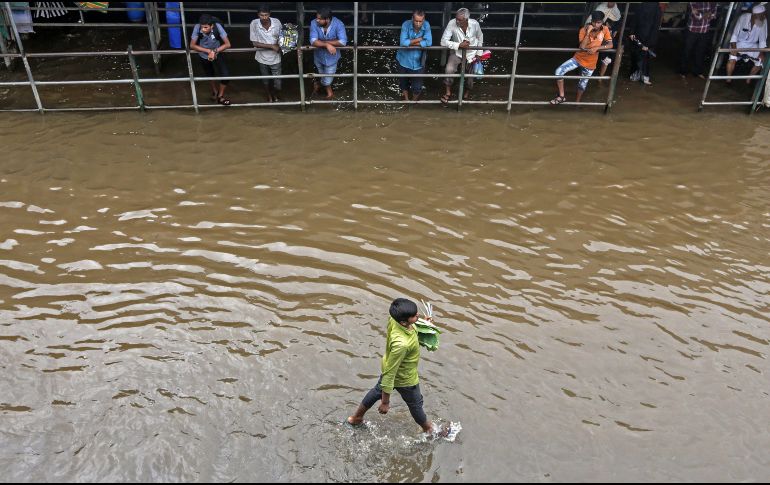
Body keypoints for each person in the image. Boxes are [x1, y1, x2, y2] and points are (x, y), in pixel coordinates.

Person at [347, 298, 446, 436]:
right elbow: (390, 374)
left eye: (416, 312)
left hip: (388, 363)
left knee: (377, 390)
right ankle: (429, 429)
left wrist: (423, 322)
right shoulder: (402, 344)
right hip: (405, 378)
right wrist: (385, 402)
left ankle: (356, 418)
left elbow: (412, 328)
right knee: (416, 404)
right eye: (414, 315)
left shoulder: (394, 320)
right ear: (404, 322)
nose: (417, 315)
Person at [550, 11, 613, 105]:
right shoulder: (584, 29)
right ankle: (562, 96)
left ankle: (577, 103)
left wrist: (597, 48)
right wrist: (588, 32)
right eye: (594, 22)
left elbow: (610, 44)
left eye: (599, 22)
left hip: (591, 63)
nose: (596, 24)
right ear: (591, 21)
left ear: (602, 22)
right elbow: (582, 47)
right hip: (578, 58)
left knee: (582, 85)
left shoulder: (605, 29)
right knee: (558, 71)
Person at [440, 8, 484, 103]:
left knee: (470, 76)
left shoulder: (475, 24)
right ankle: (448, 92)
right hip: (457, 52)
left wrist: (479, 53)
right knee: (449, 69)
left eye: (460, 20)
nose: (457, 21)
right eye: (456, 18)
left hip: (471, 54)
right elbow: (443, 41)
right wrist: (458, 45)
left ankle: (467, 93)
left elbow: (480, 37)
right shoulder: (452, 23)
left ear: (467, 19)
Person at [190, 14, 232, 105]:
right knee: (210, 73)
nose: (203, 30)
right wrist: (208, 51)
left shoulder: (218, 27)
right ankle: (215, 92)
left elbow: (228, 44)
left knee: (226, 74)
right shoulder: (197, 28)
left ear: (212, 26)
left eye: (206, 27)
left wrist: (214, 51)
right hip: (203, 54)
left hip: (217, 52)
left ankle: (220, 96)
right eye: (202, 27)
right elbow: (192, 45)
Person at [309, 7, 347, 99]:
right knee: (322, 74)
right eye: (317, 18)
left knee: (327, 80)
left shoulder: (338, 24)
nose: (317, 20)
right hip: (318, 56)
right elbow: (313, 41)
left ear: (327, 19)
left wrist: (322, 42)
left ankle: (318, 84)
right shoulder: (314, 23)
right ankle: (328, 92)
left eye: (319, 19)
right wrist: (328, 45)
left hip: (332, 58)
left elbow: (342, 42)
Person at [726, 5, 767, 84]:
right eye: (761, 15)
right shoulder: (743, 18)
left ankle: (748, 79)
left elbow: (762, 40)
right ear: (754, 15)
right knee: (732, 58)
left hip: (753, 45)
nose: (763, 17)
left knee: (761, 60)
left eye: (764, 14)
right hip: (738, 43)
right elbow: (734, 35)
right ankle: (728, 79)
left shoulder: (763, 21)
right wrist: (734, 49)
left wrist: (761, 53)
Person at [396, 9, 432, 101]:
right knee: (403, 84)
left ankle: (413, 102)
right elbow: (403, 42)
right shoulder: (406, 24)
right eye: (416, 21)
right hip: (403, 60)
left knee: (417, 87)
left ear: (423, 20)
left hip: (418, 63)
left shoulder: (426, 25)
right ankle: (407, 100)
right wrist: (420, 39)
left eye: (420, 21)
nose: (418, 23)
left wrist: (410, 43)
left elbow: (429, 42)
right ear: (412, 18)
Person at [250, 4, 283, 102]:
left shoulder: (276, 22)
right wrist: (272, 46)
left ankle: (275, 94)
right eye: (261, 15)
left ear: (270, 14)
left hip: (276, 57)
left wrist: (281, 45)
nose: (264, 17)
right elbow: (254, 43)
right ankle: (269, 96)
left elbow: (282, 37)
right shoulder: (254, 24)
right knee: (266, 81)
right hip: (262, 58)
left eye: (266, 15)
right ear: (258, 15)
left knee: (278, 83)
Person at [679, 3, 717, 79]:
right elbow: (696, 16)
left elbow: (713, 15)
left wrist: (703, 14)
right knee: (687, 51)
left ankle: (698, 71)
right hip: (692, 30)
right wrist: (708, 14)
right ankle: (683, 71)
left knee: (701, 52)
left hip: (705, 30)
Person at [584, 2, 622, 79]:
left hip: (607, 38)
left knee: (607, 57)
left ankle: (600, 77)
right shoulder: (601, 8)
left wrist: (614, 31)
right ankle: (587, 73)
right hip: (597, 36)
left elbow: (618, 25)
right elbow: (591, 22)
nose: (610, 3)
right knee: (590, 52)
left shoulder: (616, 12)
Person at [629, 2, 663, 86]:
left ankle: (645, 77)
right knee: (636, 56)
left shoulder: (657, 10)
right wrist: (632, 32)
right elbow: (634, 19)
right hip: (637, 35)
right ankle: (635, 75)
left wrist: (648, 44)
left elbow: (655, 28)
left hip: (649, 37)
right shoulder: (640, 6)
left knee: (646, 58)